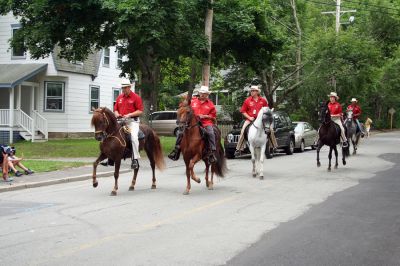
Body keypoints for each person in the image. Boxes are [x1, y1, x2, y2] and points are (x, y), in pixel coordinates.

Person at [168, 85, 218, 163]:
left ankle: (212, 152)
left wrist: (205, 116)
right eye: (201, 93)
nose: (203, 94)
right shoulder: (193, 101)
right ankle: (176, 150)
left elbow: (213, 116)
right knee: (180, 132)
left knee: (210, 133)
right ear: (199, 93)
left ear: (207, 95)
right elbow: (184, 106)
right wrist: (185, 101)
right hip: (192, 123)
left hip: (205, 123)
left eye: (205, 93)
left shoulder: (210, 104)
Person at [234, 85, 276, 156]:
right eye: (251, 90)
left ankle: (273, 146)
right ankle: (239, 149)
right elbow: (243, 111)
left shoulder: (263, 100)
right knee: (243, 130)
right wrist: (249, 117)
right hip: (250, 119)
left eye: (253, 90)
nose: (252, 92)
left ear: (257, 92)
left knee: (270, 130)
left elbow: (267, 110)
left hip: (261, 120)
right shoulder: (247, 100)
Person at [114, 77, 144, 169]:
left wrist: (130, 114)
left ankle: (135, 159)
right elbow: (115, 110)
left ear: (129, 87)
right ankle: (110, 158)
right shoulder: (119, 97)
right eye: (122, 88)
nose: (124, 90)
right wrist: (117, 114)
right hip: (121, 121)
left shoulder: (136, 97)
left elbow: (140, 111)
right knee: (111, 135)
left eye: (125, 87)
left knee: (134, 138)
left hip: (132, 122)